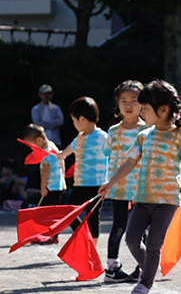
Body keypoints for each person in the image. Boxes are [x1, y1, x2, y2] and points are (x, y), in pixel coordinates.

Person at [98, 80, 181, 294]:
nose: (141, 113)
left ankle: (145, 283)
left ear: (163, 110)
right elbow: (129, 162)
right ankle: (150, 268)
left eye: (144, 109)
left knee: (154, 243)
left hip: (167, 201)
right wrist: (110, 182)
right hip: (142, 199)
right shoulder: (144, 136)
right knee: (132, 240)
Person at [102, 81, 146, 283]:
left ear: (143, 104)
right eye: (123, 101)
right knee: (118, 225)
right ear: (117, 105)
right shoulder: (112, 132)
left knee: (142, 229)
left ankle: (144, 266)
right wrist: (106, 182)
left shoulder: (149, 131)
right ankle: (112, 268)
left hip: (142, 188)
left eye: (134, 100)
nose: (128, 105)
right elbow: (107, 157)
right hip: (118, 187)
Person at [57, 96, 108, 245]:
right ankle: (84, 235)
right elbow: (65, 153)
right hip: (79, 185)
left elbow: (116, 157)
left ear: (82, 119)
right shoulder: (79, 138)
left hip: (97, 187)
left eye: (73, 121)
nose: (73, 124)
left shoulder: (103, 137)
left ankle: (93, 247)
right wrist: (58, 154)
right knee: (68, 211)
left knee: (93, 217)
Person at [22, 124, 66, 243]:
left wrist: (42, 188)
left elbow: (45, 172)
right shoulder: (52, 146)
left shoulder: (46, 153)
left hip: (51, 187)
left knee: (46, 213)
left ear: (39, 140)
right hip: (59, 185)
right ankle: (52, 236)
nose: (32, 149)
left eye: (32, 145)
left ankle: (49, 235)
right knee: (51, 212)